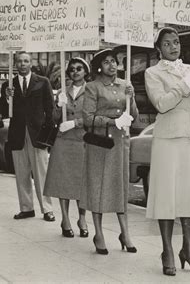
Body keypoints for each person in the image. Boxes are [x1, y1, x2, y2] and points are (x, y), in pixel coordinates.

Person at [144, 27, 190, 276]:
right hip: (168, 139)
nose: (174, 46)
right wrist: (184, 86)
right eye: (168, 43)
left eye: (177, 42)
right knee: (167, 196)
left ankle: (189, 250)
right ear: (159, 48)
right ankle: (167, 250)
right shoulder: (153, 73)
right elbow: (161, 104)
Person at [80, 49, 138, 255]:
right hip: (100, 144)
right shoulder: (92, 87)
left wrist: (131, 99)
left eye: (114, 61)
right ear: (99, 67)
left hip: (120, 143)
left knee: (120, 187)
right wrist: (113, 121)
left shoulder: (125, 85)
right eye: (106, 62)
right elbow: (88, 118)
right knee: (98, 187)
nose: (112, 66)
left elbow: (135, 116)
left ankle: (125, 233)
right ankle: (99, 233)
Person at [0, 52, 55, 222]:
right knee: (22, 173)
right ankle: (26, 208)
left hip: (38, 135)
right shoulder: (8, 85)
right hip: (18, 134)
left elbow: (50, 109)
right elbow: (3, 111)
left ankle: (47, 209)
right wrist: (7, 98)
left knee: (41, 174)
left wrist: (49, 134)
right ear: (15, 64)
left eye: (26, 61)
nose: (22, 64)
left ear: (31, 63)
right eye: (19, 61)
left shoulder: (43, 82)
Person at [44, 57, 90, 238]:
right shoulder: (63, 91)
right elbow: (54, 118)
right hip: (63, 141)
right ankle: (65, 219)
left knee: (81, 183)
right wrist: (57, 105)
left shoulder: (92, 90)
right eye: (72, 69)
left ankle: (82, 218)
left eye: (79, 68)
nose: (75, 72)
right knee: (63, 182)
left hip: (82, 140)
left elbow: (93, 117)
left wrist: (75, 123)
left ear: (85, 71)